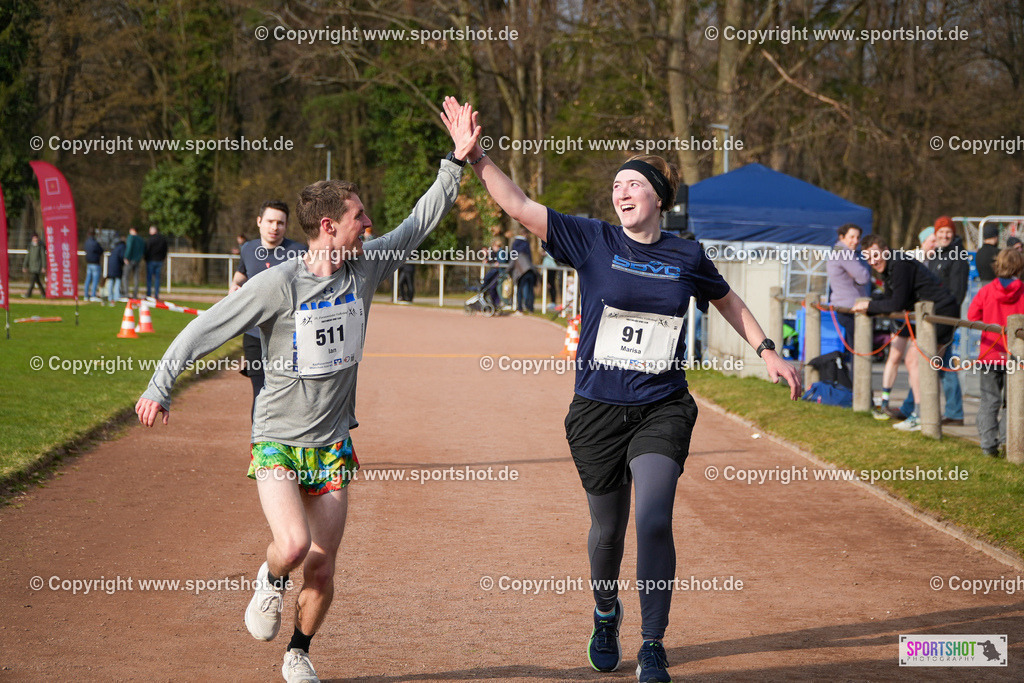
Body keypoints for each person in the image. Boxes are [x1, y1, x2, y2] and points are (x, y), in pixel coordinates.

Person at [441, 97, 801, 683]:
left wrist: (767, 351)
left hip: (662, 405)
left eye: (633, 184)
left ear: (659, 196)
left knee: (654, 517)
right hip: (597, 410)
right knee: (608, 530)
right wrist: (476, 156)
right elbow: (518, 204)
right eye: (616, 185)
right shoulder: (592, 240)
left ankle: (653, 642)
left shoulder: (686, 253)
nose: (621, 192)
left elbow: (726, 299)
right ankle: (605, 612)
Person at [135, 129, 471, 683]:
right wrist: (159, 383)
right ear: (328, 226)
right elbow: (207, 326)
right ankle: (269, 581)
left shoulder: (365, 267)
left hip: (333, 441)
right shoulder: (279, 283)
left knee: (321, 564)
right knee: (291, 546)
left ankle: (299, 651)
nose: (369, 223)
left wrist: (454, 163)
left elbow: (420, 222)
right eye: (359, 215)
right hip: (277, 437)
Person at [852, 234, 959, 431]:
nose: (873, 261)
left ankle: (922, 415)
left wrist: (869, 306)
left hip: (941, 312)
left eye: (875, 255)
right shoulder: (889, 267)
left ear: (885, 250)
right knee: (920, 364)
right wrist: (875, 303)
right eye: (868, 258)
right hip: (925, 314)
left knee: (918, 362)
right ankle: (921, 414)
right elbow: (892, 298)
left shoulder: (900, 265)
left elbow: (897, 303)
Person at [231, 200, 305, 418]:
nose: (275, 227)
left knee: (288, 396)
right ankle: (260, 449)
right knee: (260, 394)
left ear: (286, 225)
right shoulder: (248, 248)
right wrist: (235, 285)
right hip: (254, 335)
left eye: (280, 223)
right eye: (270, 221)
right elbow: (241, 273)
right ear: (259, 221)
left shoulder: (299, 251)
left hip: (289, 339)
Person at [967, 247, 1024, 456]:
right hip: (1015, 356)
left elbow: (972, 315)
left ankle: (988, 444)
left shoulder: (986, 290)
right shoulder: (1023, 291)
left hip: (990, 353)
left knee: (989, 401)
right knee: (1014, 401)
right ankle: (1006, 439)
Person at [825, 223, 870, 360]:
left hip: (842, 305)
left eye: (858, 237)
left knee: (854, 350)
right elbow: (864, 276)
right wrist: (859, 278)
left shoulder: (836, 251)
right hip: (851, 307)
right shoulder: (844, 253)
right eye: (851, 237)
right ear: (842, 237)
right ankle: (857, 380)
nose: (855, 241)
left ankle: (854, 379)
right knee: (859, 351)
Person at [510, 228, 537, 313]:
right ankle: (530, 308)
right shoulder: (526, 243)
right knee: (530, 289)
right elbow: (529, 257)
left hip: (520, 271)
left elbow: (513, 257)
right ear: (525, 234)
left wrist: (508, 269)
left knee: (520, 290)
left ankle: (520, 308)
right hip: (529, 269)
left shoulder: (515, 243)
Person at [145, 224, 168, 300]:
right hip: (159, 261)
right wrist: (163, 258)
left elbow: (147, 250)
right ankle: (156, 295)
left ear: (153, 230)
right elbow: (165, 249)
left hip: (151, 261)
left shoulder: (150, 239)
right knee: (157, 278)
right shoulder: (162, 239)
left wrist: (146, 258)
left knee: (149, 278)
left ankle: (148, 294)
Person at [22, 233, 46, 298]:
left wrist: (43, 266)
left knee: (32, 281)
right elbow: (27, 257)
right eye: (34, 238)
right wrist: (25, 266)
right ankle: (44, 294)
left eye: (36, 238)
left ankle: (28, 294)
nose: (35, 239)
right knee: (38, 281)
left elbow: (43, 257)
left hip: (38, 267)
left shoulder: (40, 247)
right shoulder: (30, 246)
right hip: (31, 266)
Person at [124, 227, 145, 298]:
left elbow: (129, 247)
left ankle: (126, 294)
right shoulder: (141, 239)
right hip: (138, 260)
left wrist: (126, 257)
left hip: (130, 260)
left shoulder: (131, 238)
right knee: (136, 278)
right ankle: (135, 295)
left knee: (126, 276)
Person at [84, 230, 104, 302]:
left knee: (88, 279)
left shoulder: (86, 242)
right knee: (95, 280)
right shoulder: (95, 243)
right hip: (95, 263)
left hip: (88, 263)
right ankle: (93, 295)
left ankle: (86, 295)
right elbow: (101, 250)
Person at [106, 233, 126, 305]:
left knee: (111, 282)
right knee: (117, 281)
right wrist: (123, 262)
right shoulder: (123, 247)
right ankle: (116, 297)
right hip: (117, 266)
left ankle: (110, 297)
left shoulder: (115, 246)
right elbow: (121, 256)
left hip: (111, 265)